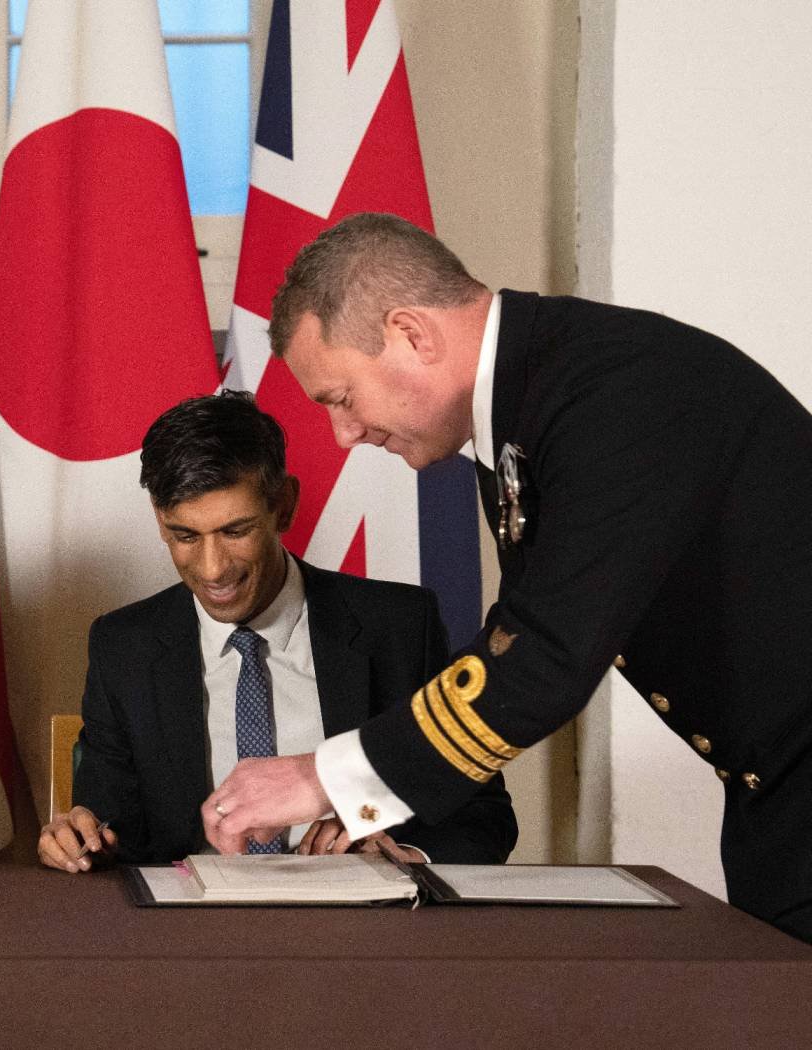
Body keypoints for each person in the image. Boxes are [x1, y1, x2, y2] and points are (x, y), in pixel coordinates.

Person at [203, 211, 812, 941]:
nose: (343, 434)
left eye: (340, 398)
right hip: (777, 796)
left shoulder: (614, 393)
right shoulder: (536, 398)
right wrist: (374, 797)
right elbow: (515, 645)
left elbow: (543, 659)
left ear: (411, 334)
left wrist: (326, 777)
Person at [39, 391, 515, 873]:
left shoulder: (399, 626)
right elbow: (108, 832)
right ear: (161, 522)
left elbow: (483, 816)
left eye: (234, 531)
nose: (212, 568)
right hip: (187, 937)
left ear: (283, 506)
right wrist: (78, 841)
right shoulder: (124, 646)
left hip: (357, 930)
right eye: (186, 536)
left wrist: (399, 853)